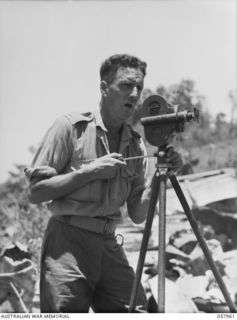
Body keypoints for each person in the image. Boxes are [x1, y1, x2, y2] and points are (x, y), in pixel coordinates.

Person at [25, 54, 182, 313]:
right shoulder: (70, 128)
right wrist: (89, 172)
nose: (134, 94)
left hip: (109, 244)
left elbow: (138, 214)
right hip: (67, 243)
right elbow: (36, 192)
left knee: (134, 311)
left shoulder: (135, 143)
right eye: (126, 85)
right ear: (103, 88)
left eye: (139, 88)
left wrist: (160, 176)